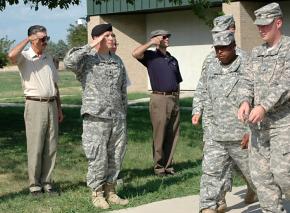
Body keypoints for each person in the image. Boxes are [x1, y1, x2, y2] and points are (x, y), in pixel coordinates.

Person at [192, 15, 256, 212]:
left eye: (224, 34)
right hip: (214, 129)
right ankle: (210, 204)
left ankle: (256, 191)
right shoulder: (210, 61)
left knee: (254, 173)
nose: (219, 49)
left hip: (239, 130)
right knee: (211, 171)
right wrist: (197, 110)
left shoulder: (246, 60)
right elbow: (202, 87)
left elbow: (255, 97)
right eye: (215, 39)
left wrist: (251, 131)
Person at [64, 23, 128, 210]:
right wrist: (91, 45)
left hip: (117, 117)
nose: (112, 38)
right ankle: (97, 193)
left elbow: (122, 90)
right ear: (98, 38)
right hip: (96, 117)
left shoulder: (117, 61)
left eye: (113, 35)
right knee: (98, 156)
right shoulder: (86, 60)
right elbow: (69, 62)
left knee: (116, 156)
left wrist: (123, 114)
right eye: (108, 35)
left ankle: (111, 191)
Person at [237, 2, 290, 212]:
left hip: (283, 124)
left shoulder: (288, 49)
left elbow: (286, 84)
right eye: (258, 25)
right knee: (262, 178)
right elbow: (246, 81)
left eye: (265, 25)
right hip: (258, 127)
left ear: (278, 23)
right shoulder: (256, 52)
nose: (261, 29)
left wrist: (263, 106)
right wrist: (244, 101)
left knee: (283, 174)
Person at [7, 25, 63, 196]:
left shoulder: (49, 58)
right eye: (42, 39)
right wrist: (27, 40)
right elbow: (11, 55)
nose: (45, 42)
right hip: (35, 105)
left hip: (52, 104)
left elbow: (55, 85)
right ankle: (34, 185)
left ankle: (47, 182)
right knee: (36, 146)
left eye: (47, 38)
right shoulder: (24, 57)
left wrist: (59, 108)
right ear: (32, 39)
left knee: (51, 146)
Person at [132, 29, 182, 176]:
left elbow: (177, 81)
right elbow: (135, 53)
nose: (167, 39)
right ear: (156, 39)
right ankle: (159, 168)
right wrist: (151, 43)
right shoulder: (150, 56)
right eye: (164, 37)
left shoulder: (173, 59)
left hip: (173, 99)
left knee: (172, 134)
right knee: (160, 134)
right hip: (159, 99)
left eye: (168, 36)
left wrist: (177, 99)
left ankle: (168, 166)